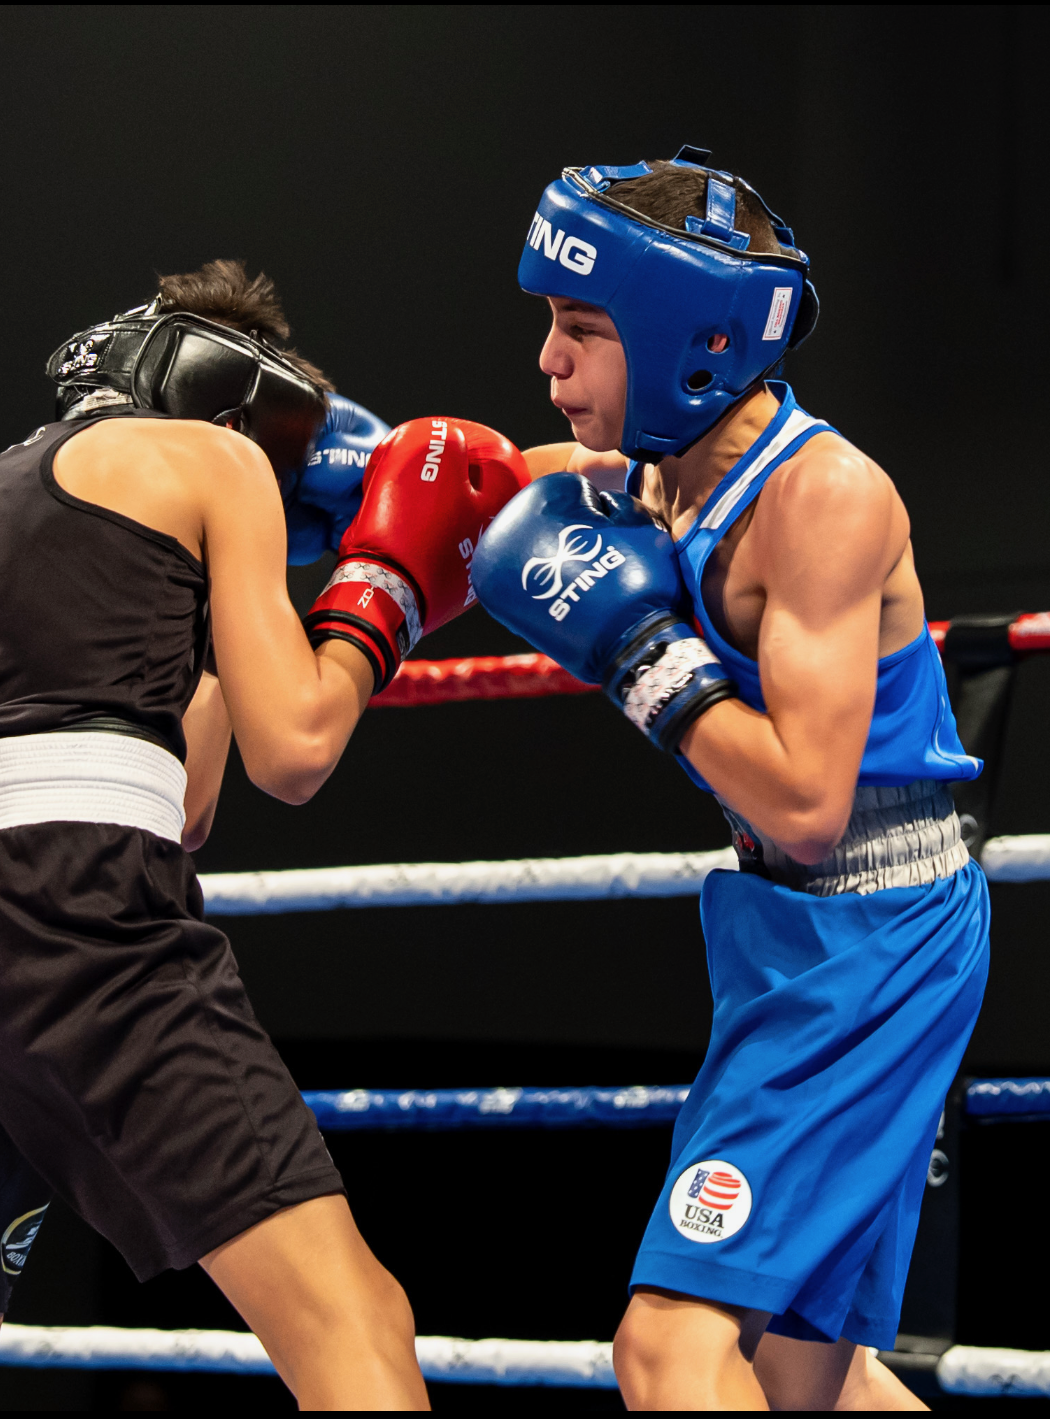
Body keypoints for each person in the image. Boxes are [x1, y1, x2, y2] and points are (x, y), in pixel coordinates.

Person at [0, 258, 528, 1410]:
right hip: (75, 902)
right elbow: (294, 749)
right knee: (355, 1322)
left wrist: (219, 619)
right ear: (237, 400)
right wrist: (381, 588)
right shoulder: (217, 457)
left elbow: (185, 804)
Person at [473, 151, 988, 1410]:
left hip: (872, 935)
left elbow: (808, 811)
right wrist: (355, 479)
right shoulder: (665, 470)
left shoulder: (823, 500)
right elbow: (494, 486)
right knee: (805, 1381)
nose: (552, 362)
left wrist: (643, 659)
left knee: (670, 1350)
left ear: (681, 340)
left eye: (581, 331)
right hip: (799, 937)